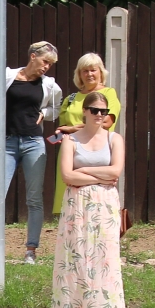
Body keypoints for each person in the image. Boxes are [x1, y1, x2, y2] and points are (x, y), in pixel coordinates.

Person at [0, 41, 63, 266]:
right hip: (5, 142)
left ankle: (31, 251)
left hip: (33, 143)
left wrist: (44, 113)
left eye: (50, 64)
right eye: (45, 61)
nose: (47, 67)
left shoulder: (49, 85)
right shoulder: (5, 75)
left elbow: (57, 108)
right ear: (33, 56)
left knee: (34, 199)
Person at [51, 93, 128, 308]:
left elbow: (116, 170)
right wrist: (98, 175)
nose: (98, 115)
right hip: (78, 203)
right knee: (81, 258)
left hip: (105, 203)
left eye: (103, 111)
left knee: (107, 257)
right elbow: (68, 176)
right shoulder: (71, 141)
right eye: (94, 110)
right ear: (84, 111)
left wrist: (83, 170)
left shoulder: (114, 139)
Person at [52, 53, 122, 214]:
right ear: (79, 74)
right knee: (71, 205)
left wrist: (71, 129)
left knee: (98, 205)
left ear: (101, 72)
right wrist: (61, 131)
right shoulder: (71, 98)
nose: (89, 74)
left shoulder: (109, 93)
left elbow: (106, 122)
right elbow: (63, 126)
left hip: (97, 152)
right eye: (85, 71)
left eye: (93, 70)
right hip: (73, 152)